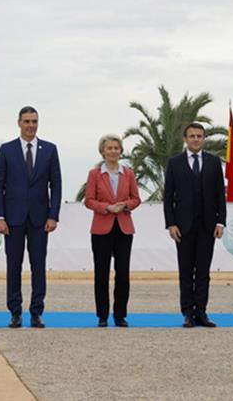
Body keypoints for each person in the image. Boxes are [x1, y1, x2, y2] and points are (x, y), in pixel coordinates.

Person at [0, 106, 61, 328]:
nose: (31, 125)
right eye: (27, 121)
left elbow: (56, 185)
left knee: (38, 266)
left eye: (34, 121)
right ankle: (15, 312)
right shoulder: (6, 150)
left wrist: (53, 215)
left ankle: (36, 312)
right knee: (13, 266)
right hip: (12, 219)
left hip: (40, 220)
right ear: (19, 123)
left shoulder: (50, 150)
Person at [163, 122, 226, 328]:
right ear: (185, 139)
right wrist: (171, 224)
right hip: (183, 227)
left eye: (199, 136)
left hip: (208, 226)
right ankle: (187, 313)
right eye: (192, 136)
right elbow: (168, 196)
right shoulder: (175, 163)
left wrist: (220, 221)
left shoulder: (214, 162)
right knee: (185, 271)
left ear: (204, 138)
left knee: (203, 272)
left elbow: (220, 194)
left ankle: (201, 311)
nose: (196, 139)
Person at [84, 134, 141, 327]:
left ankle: (120, 315)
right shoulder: (94, 174)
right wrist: (107, 208)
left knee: (123, 273)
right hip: (101, 228)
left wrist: (125, 205)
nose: (113, 151)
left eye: (116, 148)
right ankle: (102, 315)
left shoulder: (129, 174)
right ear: (102, 151)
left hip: (124, 228)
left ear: (121, 151)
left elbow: (136, 198)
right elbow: (89, 200)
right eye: (109, 148)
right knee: (101, 273)